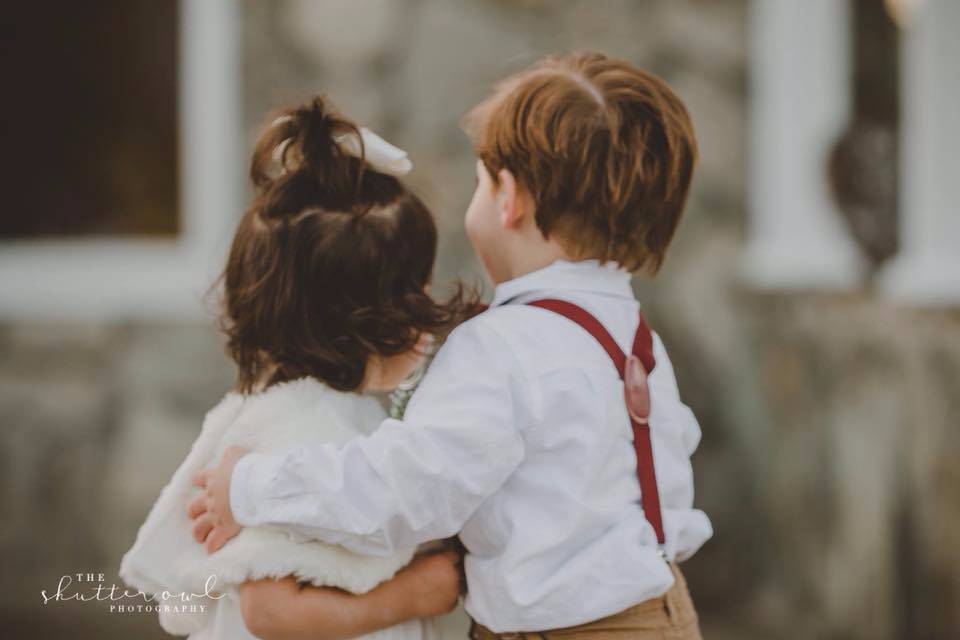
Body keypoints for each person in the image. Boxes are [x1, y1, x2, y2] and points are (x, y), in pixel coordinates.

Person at [192, 51, 712, 639]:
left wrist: (250, 487)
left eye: (480, 181)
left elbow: (402, 491)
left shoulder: (500, 347)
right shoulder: (632, 334)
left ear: (508, 198)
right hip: (663, 612)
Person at [120, 96, 469, 640]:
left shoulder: (297, 415)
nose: (427, 308)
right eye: (417, 290)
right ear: (374, 320)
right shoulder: (307, 434)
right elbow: (271, 611)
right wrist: (414, 594)